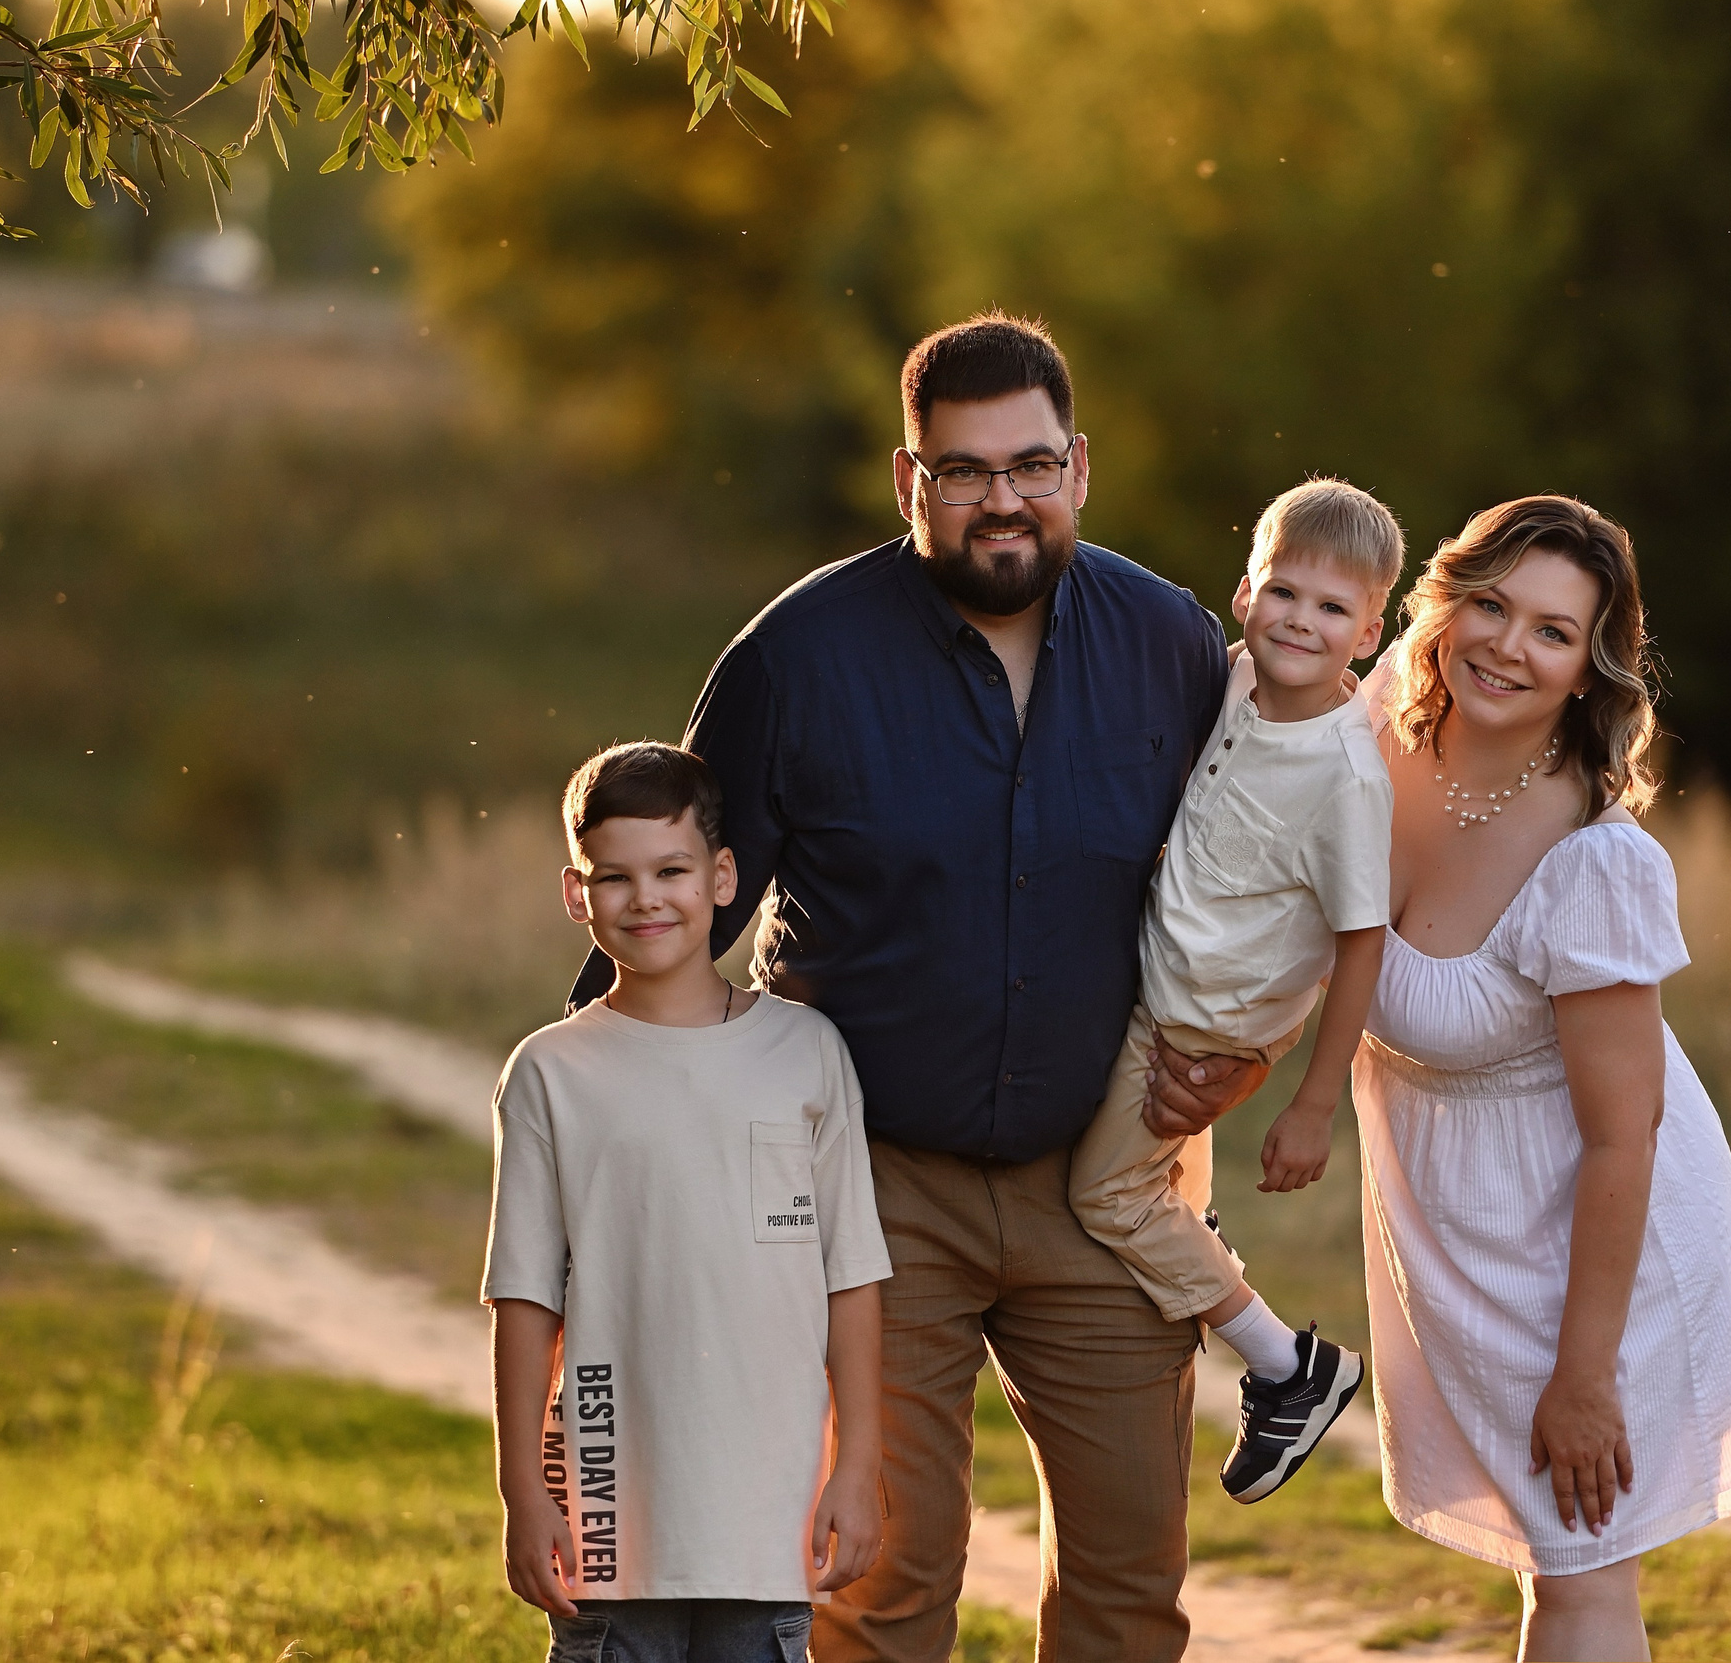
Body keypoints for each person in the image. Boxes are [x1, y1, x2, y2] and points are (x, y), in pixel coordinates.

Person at [570, 312, 1274, 1662]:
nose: (1001, 497)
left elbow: (1266, 887)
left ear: (1081, 466)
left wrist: (1245, 1054)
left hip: (1110, 1192)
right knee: (882, 1579)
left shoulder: (1173, 647)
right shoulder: (798, 658)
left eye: (1031, 462)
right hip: (866, 1187)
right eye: (963, 470)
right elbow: (667, 917)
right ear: (911, 483)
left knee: (1132, 1595)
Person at [1353, 496, 1731, 1661]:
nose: (1505, 645)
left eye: (1551, 632)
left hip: (1591, 1239)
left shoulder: (1595, 862)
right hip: (1450, 1226)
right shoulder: (1367, 726)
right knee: (1554, 1556)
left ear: (1590, 673)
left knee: (1581, 1565)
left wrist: (1582, 1376)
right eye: (1489, 604)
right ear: (1441, 605)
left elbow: (1621, 1136)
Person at [485, 742, 891, 1663]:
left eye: (671, 870)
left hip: (770, 1509)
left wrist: (859, 1461)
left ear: (722, 876)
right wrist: (524, 1489)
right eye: (615, 877)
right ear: (575, 893)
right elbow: (524, 1296)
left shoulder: (808, 1052)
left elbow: (852, 1277)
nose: (646, 898)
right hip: (608, 1511)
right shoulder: (549, 1071)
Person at [1067, 477, 1399, 1503]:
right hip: (1157, 981)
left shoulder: (1346, 775)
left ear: (1370, 631)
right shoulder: (1227, 679)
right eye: (1285, 592)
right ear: (1243, 590)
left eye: (1333, 608)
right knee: (1126, 1178)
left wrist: (1311, 1103)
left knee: (1101, 1193)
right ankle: (1188, 1224)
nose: (1303, 620)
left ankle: (1286, 1367)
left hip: (1206, 1026)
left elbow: (1362, 946)